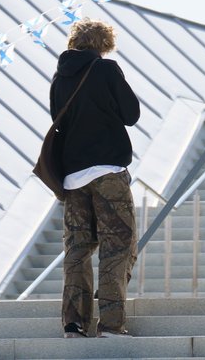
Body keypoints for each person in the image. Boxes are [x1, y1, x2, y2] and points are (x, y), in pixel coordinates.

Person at [52, 19, 140, 338]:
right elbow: (131, 114)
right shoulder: (106, 69)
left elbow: (57, 120)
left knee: (77, 249)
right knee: (117, 245)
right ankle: (111, 324)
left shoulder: (60, 77)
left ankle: (74, 323)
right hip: (107, 172)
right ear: (104, 43)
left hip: (73, 177)